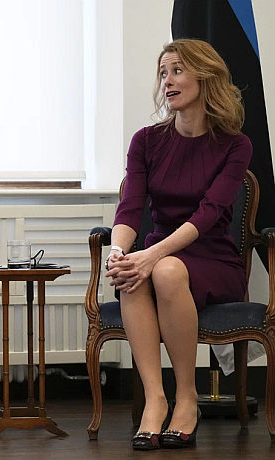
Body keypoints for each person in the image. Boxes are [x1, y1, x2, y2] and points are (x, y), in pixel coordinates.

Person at [105, 39, 252, 450]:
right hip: (160, 253)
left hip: (213, 258)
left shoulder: (235, 144)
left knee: (162, 269)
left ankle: (187, 399)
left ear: (205, 78)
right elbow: (130, 207)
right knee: (132, 272)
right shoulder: (146, 141)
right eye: (163, 73)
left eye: (177, 71)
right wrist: (118, 253)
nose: (167, 81)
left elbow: (208, 214)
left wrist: (151, 255)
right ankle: (155, 399)